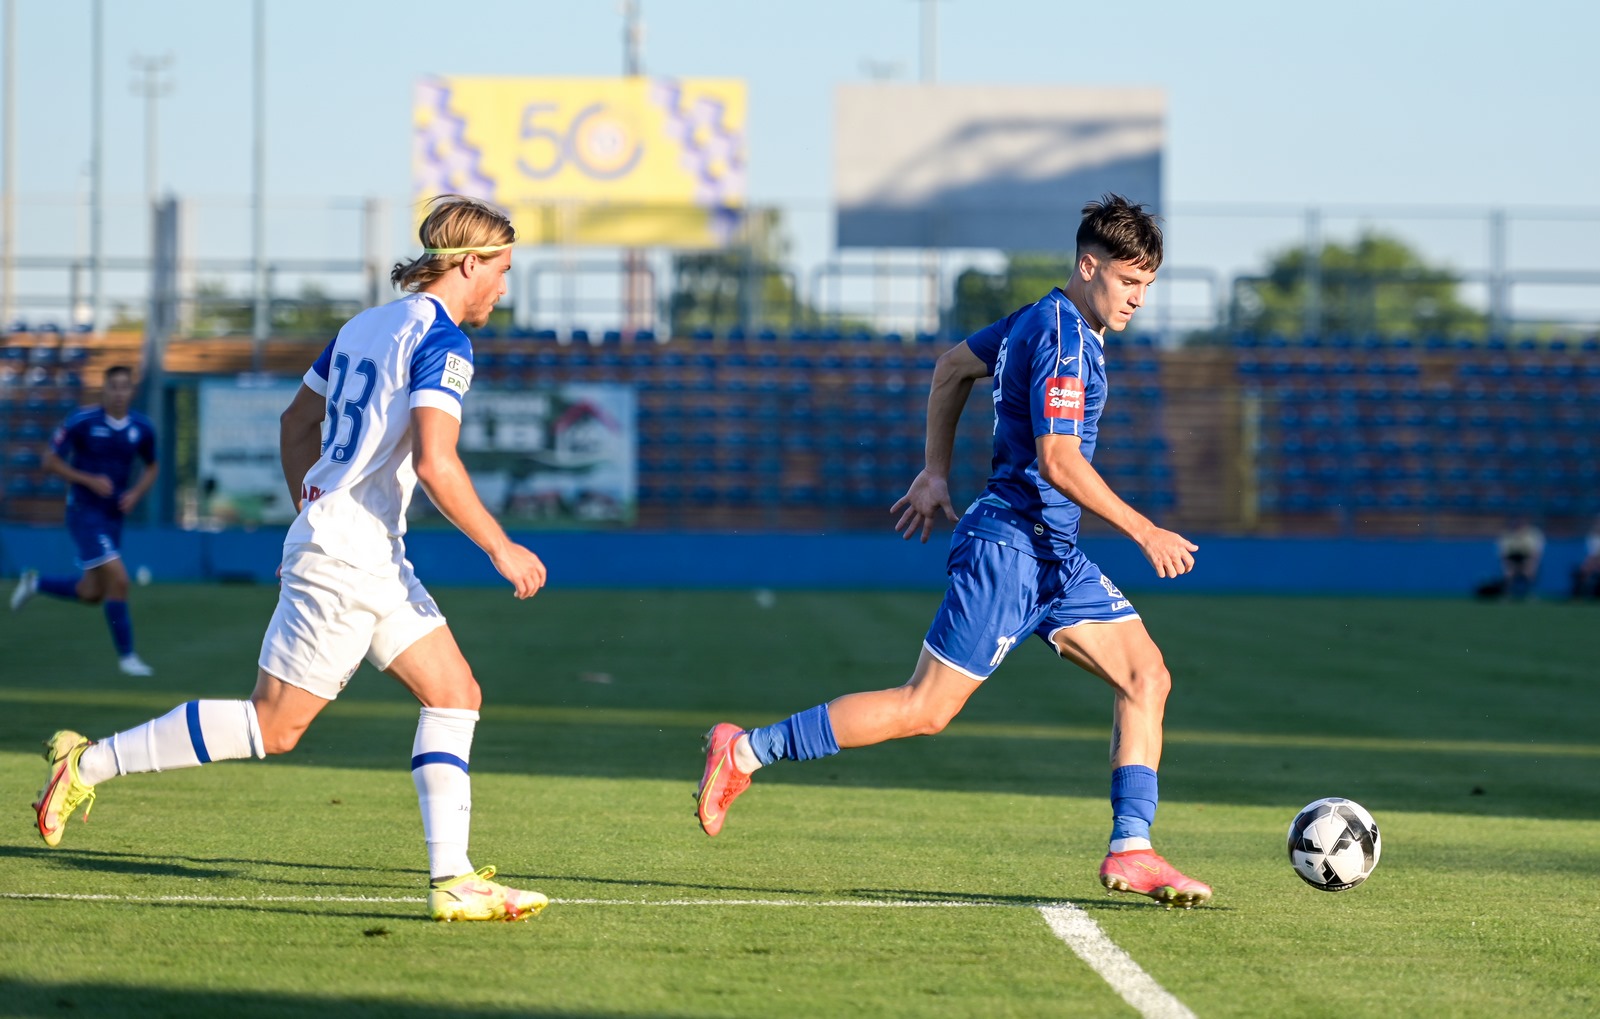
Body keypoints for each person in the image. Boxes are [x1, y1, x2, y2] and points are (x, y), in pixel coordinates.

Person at [32, 195, 553, 923]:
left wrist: (309, 510)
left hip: (368, 552)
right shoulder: (444, 342)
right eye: (502, 269)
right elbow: (438, 463)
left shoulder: (363, 326)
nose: (503, 285)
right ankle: (87, 763)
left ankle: (454, 879)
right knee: (274, 727)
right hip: (348, 556)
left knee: (455, 693)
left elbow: (295, 422)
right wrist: (501, 546)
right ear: (470, 263)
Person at [696, 194, 1213, 909]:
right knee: (925, 708)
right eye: (1129, 281)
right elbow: (1059, 459)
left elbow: (949, 368)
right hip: (1012, 548)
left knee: (1145, 675)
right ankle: (746, 750)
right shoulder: (1061, 336)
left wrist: (935, 472)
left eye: (1147, 285)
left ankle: (1132, 847)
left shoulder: (1041, 320)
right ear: (1089, 266)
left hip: (1054, 553)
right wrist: (1144, 530)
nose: (1138, 299)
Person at [10, 365, 159, 676]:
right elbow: (49, 461)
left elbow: (152, 466)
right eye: (113, 386)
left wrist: (135, 494)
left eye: (124, 387)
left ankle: (35, 582)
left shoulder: (141, 428)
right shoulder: (82, 421)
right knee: (119, 579)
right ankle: (128, 657)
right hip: (84, 511)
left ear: (131, 391)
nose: (119, 393)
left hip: (113, 517)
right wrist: (87, 479)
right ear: (104, 389)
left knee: (91, 593)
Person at [1495, 516, 1544, 600]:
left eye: (1521, 525)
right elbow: (1503, 554)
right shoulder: (1507, 534)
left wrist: (1531, 565)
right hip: (1512, 558)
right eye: (1517, 524)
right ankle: (1507, 594)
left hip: (1526, 558)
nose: (1519, 527)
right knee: (1508, 573)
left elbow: (1535, 553)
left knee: (1529, 572)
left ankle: (1530, 594)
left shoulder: (1533, 534)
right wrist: (1508, 566)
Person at [1570, 515, 1600, 600]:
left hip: (1596, 564)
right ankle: (1579, 597)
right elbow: (1592, 555)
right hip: (1593, 564)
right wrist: (1589, 565)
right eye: (1597, 523)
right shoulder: (1592, 537)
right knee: (1580, 572)